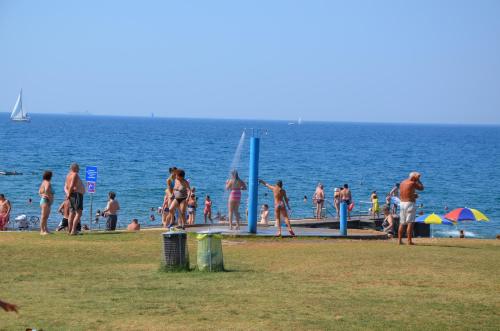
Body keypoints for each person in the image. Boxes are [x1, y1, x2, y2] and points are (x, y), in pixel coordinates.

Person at [398, 172, 424, 245]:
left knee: (402, 223)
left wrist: (413, 195)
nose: (417, 178)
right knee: (410, 223)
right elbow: (422, 188)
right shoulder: (412, 183)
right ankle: (409, 241)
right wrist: (418, 180)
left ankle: (399, 240)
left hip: (402, 203)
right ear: (413, 177)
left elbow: (404, 193)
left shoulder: (402, 182)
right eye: (416, 177)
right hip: (410, 204)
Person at [64, 163, 85, 235]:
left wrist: (68, 194)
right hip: (77, 195)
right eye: (78, 168)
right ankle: (73, 230)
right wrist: (68, 194)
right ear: (74, 168)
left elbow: (65, 187)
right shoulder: (74, 174)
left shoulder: (68, 175)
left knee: (72, 212)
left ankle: (70, 230)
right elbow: (71, 185)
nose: (79, 169)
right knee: (79, 213)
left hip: (72, 195)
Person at [38, 170, 54, 235]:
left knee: (46, 216)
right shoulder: (47, 183)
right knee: (44, 216)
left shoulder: (43, 182)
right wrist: (49, 199)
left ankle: (46, 229)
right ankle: (42, 230)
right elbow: (47, 190)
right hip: (46, 201)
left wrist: (42, 195)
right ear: (50, 176)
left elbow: (39, 192)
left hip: (45, 200)